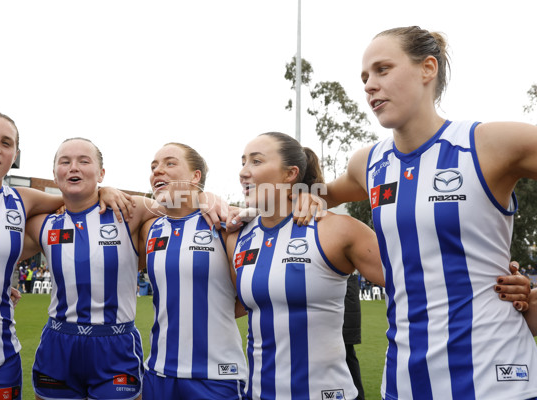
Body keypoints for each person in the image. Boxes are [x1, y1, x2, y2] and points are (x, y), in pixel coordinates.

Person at [292, 26, 537, 399]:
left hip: (495, 378)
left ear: (427, 69)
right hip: (404, 379)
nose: (369, 85)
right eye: (364, 77)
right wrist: (211, 202)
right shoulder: (370, 163)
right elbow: (309, 197)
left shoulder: (487, 144)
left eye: (383, 69)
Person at [0, 112, 131, 399]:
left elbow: (77, 198)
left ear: (14, 154)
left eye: (6, 143)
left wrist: (106, 190)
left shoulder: (22, 200)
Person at [22, 138, 227, 400]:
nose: (74, 167)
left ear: (101, 173)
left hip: (116, 345)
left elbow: (180, 205)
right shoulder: (41, 224)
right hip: (59, 344)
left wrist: (207, 197)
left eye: (84, 161)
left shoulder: (130, 210)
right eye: (65, 162)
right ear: (54, 174)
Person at [226, 132, 385, 400]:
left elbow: (416, 281)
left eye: (256, 161)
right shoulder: (238, 235)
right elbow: (231, 308)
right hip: (258, 394)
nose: (243, 172)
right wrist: (208, 199)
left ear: (290, 174)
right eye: (243, 162)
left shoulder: (336, 230)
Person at [138, 143, 247, 399]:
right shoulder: (149, 229)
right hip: (158, 373)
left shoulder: (226, 225)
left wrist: (210, 309)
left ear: (195, 176)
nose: (157, 171)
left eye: (169, 163)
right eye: (153, 167)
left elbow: (250, 297)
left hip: (217, 377)